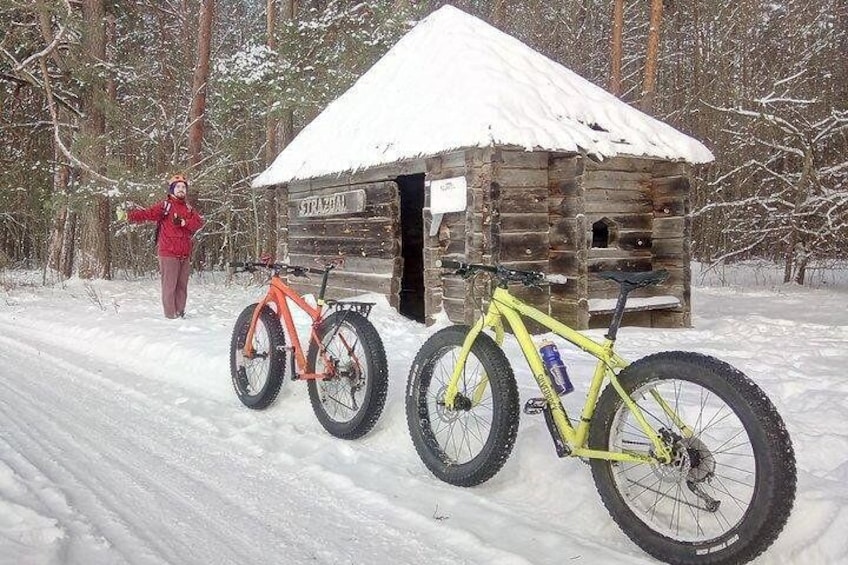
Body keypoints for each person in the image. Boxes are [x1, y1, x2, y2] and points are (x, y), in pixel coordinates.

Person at [117, 174, 204, 319]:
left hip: (185, 253)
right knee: (169, 286)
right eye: (178, 187)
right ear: (172, 189)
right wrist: (127, 216)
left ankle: (180, 312)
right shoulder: (166, 206)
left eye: (183, 187)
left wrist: (184, 223)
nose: (181, 190)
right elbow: (147, 214)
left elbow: (198, 223)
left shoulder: (189, 208)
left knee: (182, 286)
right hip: (168, 253)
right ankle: (170, 316)